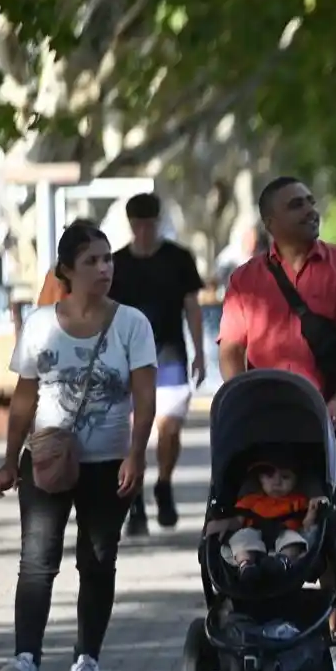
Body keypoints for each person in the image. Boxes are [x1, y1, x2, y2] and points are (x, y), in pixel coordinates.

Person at [217, 176, 336, 671]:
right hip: (265, 424)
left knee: (331, 527)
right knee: (244, 512)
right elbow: (231, 348)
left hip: (330, 418)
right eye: (296, 204)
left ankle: (333, 629)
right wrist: (237, 400)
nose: (310, 209)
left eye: (311, 201)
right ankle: (246, 611)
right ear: (271, 222)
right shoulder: (246, 279)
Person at [0, 221, 157, 671]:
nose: (104, 268)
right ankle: (26, 660)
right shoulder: (40, 324)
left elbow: (145, 397)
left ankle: (87, 659)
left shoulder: (132, 323)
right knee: (37, 560)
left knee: (98, 560)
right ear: (66, 270)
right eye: (92, 261)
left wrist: (136, 454)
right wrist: (10, 460)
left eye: (108, 259)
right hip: (46, 461)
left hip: (110, 463)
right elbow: (24, 399)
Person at [111, 193, 206, 533]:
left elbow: (192, 307)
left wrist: (200, 352)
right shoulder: (117, 264)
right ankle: (134, 497)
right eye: (138, 225)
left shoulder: (178, 259)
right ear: (130, 225)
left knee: (169, 428)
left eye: (149, 224)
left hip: (170, 356)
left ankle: (164, 482)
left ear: (157, 222)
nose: (144, 231)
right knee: (132, 434)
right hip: (127, 361)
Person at [204, 458, 328, 583]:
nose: (277, 482)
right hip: (254, 536)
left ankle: (283, 561)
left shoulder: (299, 501)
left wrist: (312, 513)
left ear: (296, 480)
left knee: (294, 539)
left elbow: (308, 529)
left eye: (285, 477)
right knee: (241, 537)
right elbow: (238, 521)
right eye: (269, 476)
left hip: (285, 536)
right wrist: (222, 524)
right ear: (260, 479)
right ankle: (246, 565)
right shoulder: (251, 500)